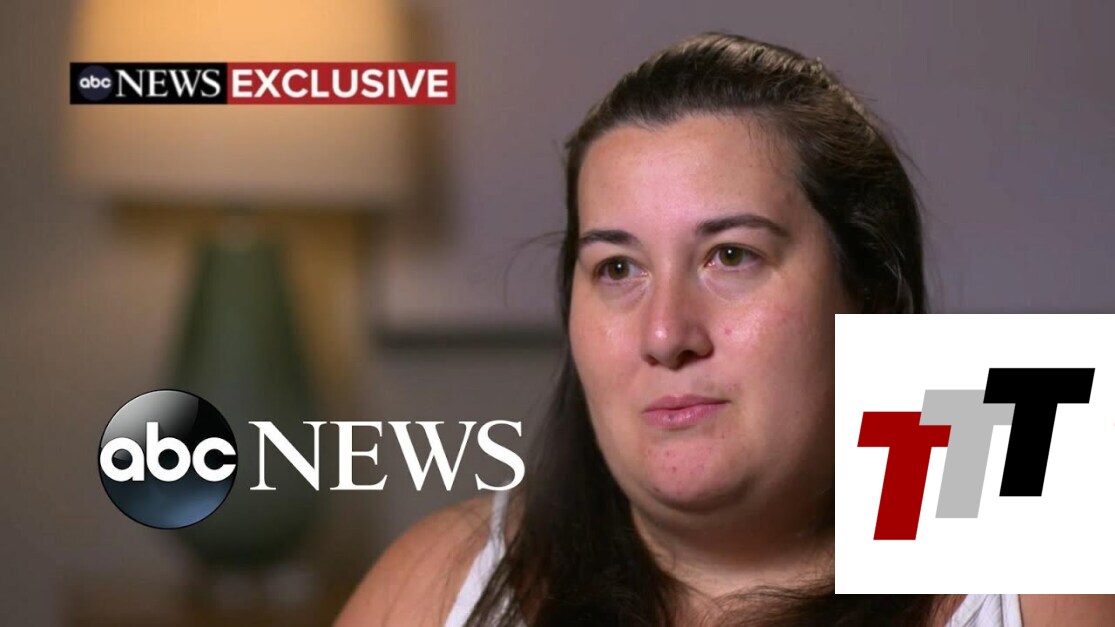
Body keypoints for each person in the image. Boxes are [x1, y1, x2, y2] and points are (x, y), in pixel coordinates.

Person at [337, 33, 1115, 626]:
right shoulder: (451, 577)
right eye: (617, 267)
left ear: (868, 293)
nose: (665, 332)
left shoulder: (1035, 557)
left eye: (731, 256)